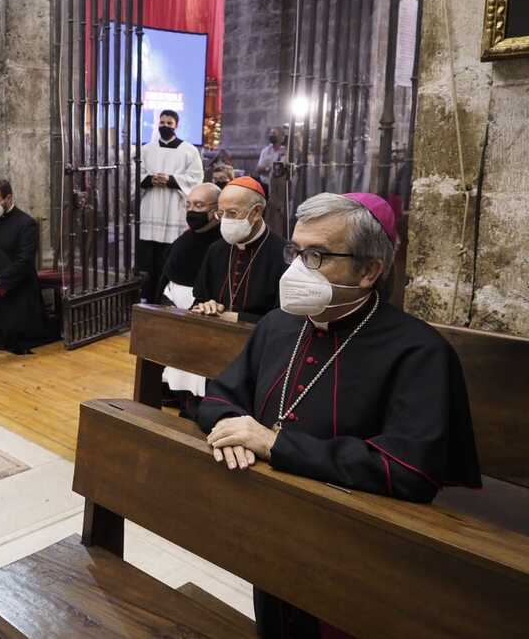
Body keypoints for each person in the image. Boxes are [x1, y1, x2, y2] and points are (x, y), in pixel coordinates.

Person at [197, 192, 481, 638]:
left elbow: (408, 471)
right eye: (295, 251)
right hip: (268, 525)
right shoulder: (277, 324)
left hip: (358, 552)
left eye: (317, 255)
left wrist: (274, 444)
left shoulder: (419, 352)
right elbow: (220, 395)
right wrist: (230, 430)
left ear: (369, 271)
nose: (295, 269)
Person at [157, 182, 222, 411]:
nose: (192, 211)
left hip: (199, 310)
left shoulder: (222, 243)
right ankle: (172, 393)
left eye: (199, 205)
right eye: (189, 205)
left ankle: (191, 401)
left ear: (216, 210)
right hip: (172, 305)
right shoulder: (187, 236)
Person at [0, 179, 57, 354]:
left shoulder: (26, 223)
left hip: (18, 289)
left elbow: (25, 261)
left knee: (16, 336)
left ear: (9, 198)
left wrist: (0, 278)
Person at [191, 177, 287, 323]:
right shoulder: (216, 250)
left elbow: (284, 319)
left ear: (256, 212)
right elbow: (199, 300)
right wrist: (206, 306)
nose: (224, 221)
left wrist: (238, 318)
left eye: (232, 213)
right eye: (221, 214)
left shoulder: (283, 254)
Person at [138, 109, 203, 302]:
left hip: (174, 209)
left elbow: (196, 178)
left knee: (167, 256)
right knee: (148, 259)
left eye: (169, 123)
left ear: (176, 125)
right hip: (151, 207)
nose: (165, 126)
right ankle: (146, 297)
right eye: (162, 122)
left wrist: (172, 180)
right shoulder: (146, 149)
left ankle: (164, 297)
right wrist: (150, 179)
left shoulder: (189, 150)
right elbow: (135, 173)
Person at [255, 126, 286, 197]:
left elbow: (281, 170)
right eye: (271, 133)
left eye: (274, 133)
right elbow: (258, 169)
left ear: (281, 137)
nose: (271, 136)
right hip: (264, 185)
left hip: (279, 187)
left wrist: (270, 169)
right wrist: (268, 168)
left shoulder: (285, 152)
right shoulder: (265, 151)